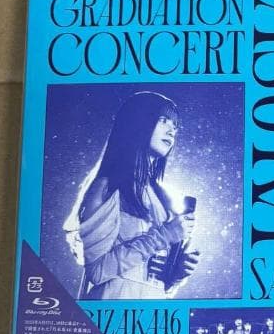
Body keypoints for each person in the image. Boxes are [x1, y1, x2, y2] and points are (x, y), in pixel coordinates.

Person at [64, 91, 199, 299]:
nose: (172, 130)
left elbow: (154, 284)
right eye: (163, 120)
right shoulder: (107, 188)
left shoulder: (163, 199)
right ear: (138, 123)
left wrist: (175, 274)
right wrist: (164, 236)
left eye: (175, 125)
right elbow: (97, 272)